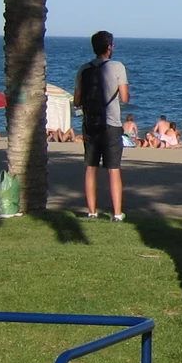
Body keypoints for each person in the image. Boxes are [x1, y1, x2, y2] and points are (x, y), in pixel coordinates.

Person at [74, 30, 130, 221]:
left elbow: (76, 101)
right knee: (113, 169)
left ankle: (91, 211)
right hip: (111, 125)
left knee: (91, 167)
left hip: (90, 124)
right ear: (109, 47)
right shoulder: (117, 67)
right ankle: (116, 214)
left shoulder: (84, 69)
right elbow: (125, 98)